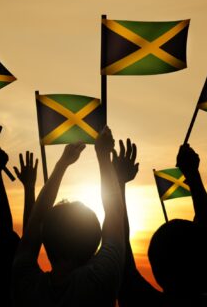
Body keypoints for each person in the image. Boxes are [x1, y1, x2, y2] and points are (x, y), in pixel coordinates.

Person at [12, 126, 125, 307]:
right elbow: (115, 214)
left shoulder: (26, 286)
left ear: (45, 239)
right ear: (95, 242)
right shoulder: (101, 281)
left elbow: (36, 220)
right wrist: (103, 156)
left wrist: (62, 164)